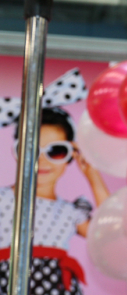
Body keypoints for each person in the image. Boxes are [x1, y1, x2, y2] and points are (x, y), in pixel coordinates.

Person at [0, 70, 109, 295]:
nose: (42, 160)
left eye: (56, 151)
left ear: (72, 154)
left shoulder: (70, 212)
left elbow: (109, 232)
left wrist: (93, 176)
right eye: (31, 150)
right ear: (17, 153)